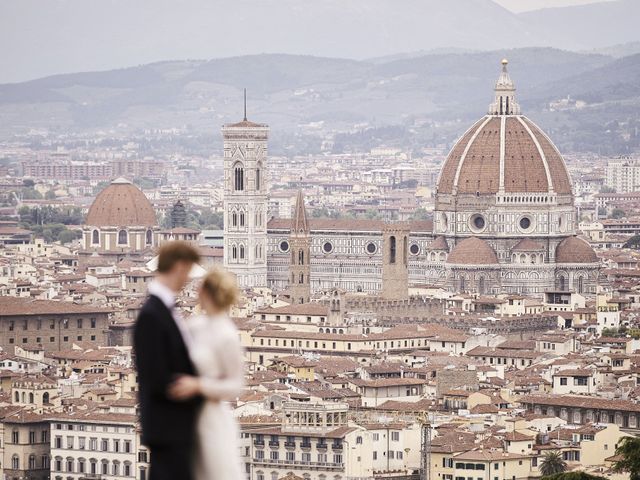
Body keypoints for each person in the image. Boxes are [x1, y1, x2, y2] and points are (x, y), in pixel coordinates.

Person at [168, 268, 245, 480]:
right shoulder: (194, 326)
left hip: (211, 418)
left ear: (205, 291)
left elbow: (236, 385)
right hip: (185, 415)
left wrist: (199, 386)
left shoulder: (227, 334)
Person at [134, 242, 202, 480]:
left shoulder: (163, 311)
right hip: (168, 428)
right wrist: (198, 388)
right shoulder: (152, 315)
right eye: (187, 272)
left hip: (175, 428)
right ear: (178, 267)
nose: (187, 280)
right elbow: (155, 376)